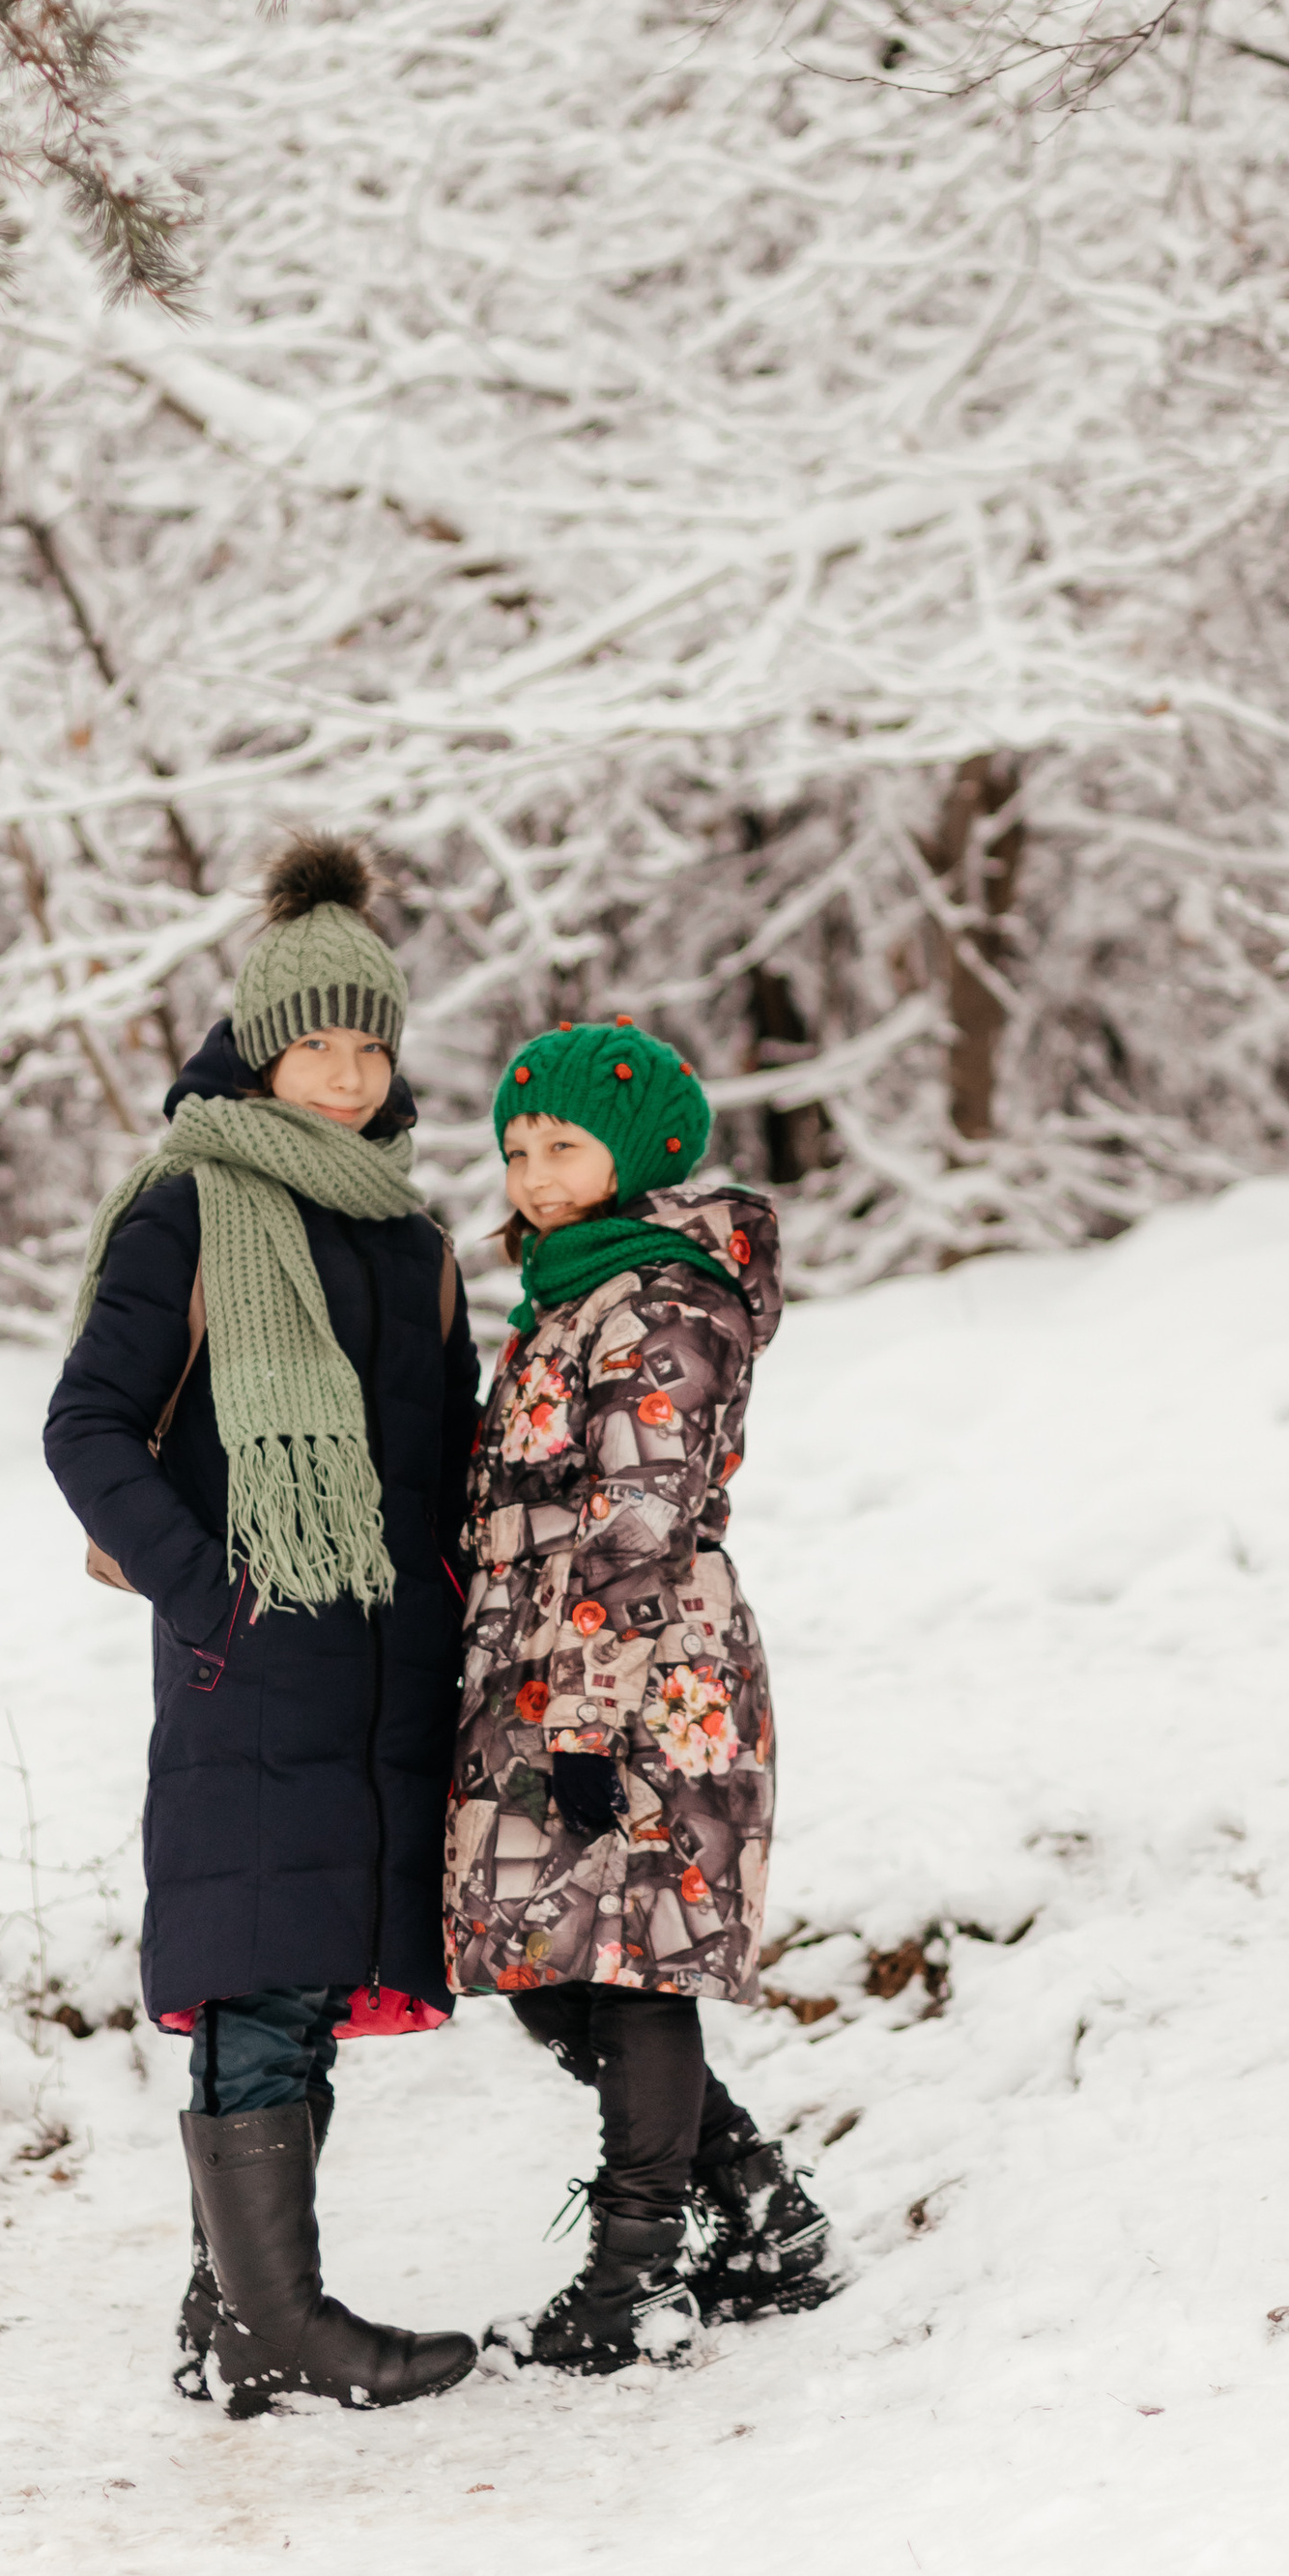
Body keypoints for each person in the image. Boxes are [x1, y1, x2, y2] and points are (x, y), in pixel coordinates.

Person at [43, 836, 481, 2419]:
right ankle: (282, 2323)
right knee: (261, 1981)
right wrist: (207, 1586)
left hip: (382, 1673)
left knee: (307, 1970)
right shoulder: (189, 1214)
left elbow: (449, 1463)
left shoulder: (415, 1243)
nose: (352, 1073)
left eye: (374, 1044)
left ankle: (237, 2313)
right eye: (322, 1042)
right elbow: (88, 1429)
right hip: (251, 1652)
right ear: (259, 1043)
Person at [446, 1016, 837, 2374]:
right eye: (515, 1148)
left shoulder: (663, 1304)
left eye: (563, 1144)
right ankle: (761, 2215)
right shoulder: (567, 1296)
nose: (534, 1173)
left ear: (642, 1150)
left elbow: (638, 1527)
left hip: (635, 1679)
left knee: (621, 1970)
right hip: (545, 1673)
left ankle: (634, 2275)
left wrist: (582, 1725)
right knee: (553, 1970)